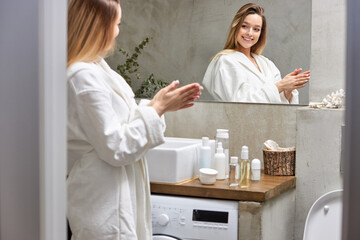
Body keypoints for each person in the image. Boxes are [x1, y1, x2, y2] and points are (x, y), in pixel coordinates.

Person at [66, 0, 202, 239]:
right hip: (102, 201)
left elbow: (121, 124)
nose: (119, 31)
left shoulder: (98, 68)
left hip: (115, 193)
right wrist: (157, 108)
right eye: (117, 23)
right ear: (100, 26)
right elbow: (116, 148)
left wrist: (158, 106)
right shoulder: (83, 77)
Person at [202, 3, 310, 103]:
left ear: (261, 33)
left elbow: (280, 104)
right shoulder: (226, 61)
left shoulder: (266, 64)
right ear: (236, 27)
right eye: (244, 26)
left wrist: (287, 90)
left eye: (256, 29)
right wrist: (280, 86)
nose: (249, 33)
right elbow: (237, 104)